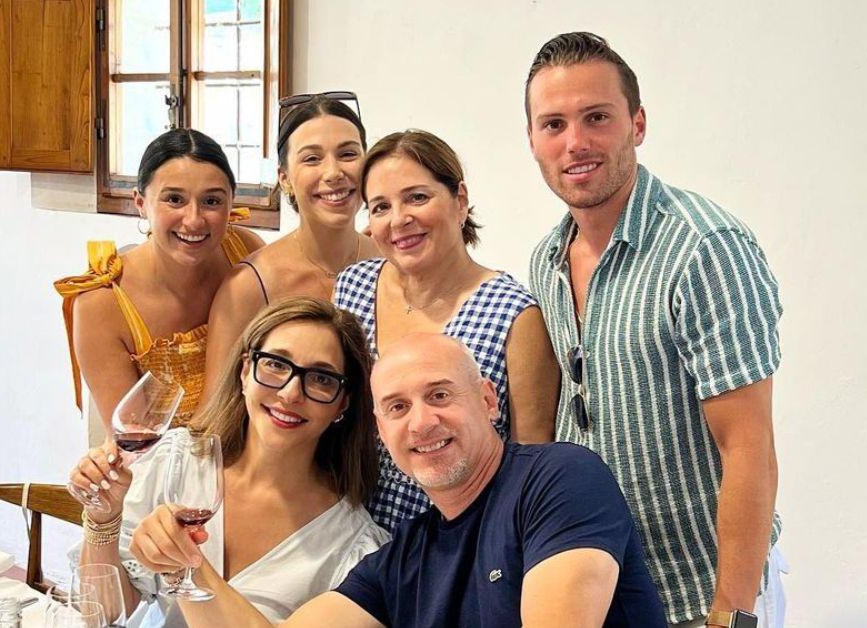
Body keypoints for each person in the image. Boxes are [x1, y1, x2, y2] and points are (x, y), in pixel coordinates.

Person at [127, 333, 666, 627]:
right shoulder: (400, 559)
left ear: (487, 399)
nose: (422, 423)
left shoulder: (558, 478)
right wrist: (186, 568)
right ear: (381, 431)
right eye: (397, 407)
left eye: (439, 395)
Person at [524, 32, 786, 628]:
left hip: (701, 593)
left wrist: (732, 614)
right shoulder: (545, 260)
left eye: (597, 118)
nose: (576, 143)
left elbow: (749, 447)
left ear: (637, 124)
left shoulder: (704, 248)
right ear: (533, 140)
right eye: (554, 125)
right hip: (597, 592)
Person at [69, 297, 387, 627]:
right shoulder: (176, 462)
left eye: (321, 378)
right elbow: (104, 614)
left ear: (342, 404)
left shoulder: (355, 548)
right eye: (276, 364)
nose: (291, 393)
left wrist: (187, 566)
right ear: (245, 370)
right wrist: (103, 519)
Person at [333, 129, 560, 531]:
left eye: (417, 197)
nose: (399, 219)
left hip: (456, 543)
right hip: (344, 530)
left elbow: (530, 465)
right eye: (381, 207)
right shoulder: (351, 288)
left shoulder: (514, 314)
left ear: (459, 200)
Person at [54, 128, 264, 429]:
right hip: (167, 467)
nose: (194, 219)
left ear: (231, 202)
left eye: (212, 202)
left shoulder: (245, 251)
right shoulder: (102, 302)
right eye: (174, 199)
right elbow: (133, 440)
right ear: (140, 202)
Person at [202, 93, 377, 399]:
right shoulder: (249, 286)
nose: (334, 173)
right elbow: (215, 411)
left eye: (348, 154)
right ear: (284, 178)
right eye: (312, 158)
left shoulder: (391, 263)